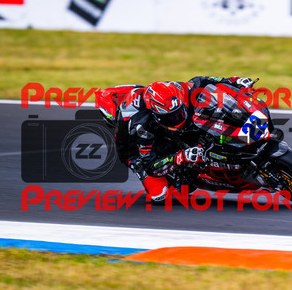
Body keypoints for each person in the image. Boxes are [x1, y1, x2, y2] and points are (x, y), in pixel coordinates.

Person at [102, 76, 254, 203]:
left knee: (197, 124)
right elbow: (150, 165)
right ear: (156, 116)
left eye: (178, 113)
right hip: (134, 152)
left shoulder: (179, 90)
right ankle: (180, 176)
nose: (177, 119)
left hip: (161, 125)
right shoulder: (143, 128)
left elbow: (204, 81)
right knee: (160, 196)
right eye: (171, 117)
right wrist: (181, 157)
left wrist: (234, 81)